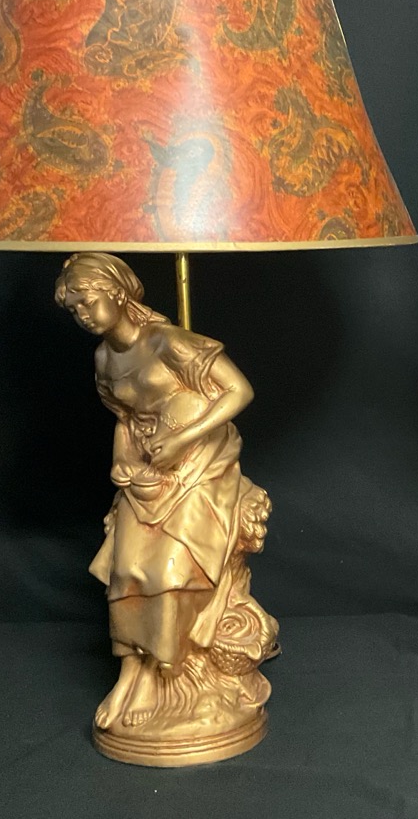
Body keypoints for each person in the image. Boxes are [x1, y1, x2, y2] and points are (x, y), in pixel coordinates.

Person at [54, 253, 276, 735]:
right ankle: (131, 674)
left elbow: (239, 391)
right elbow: (124, 418)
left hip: (202, 462)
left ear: (117, 292)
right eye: (74, 310)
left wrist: (182, 439)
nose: (83, 315)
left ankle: (163, 669)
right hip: (150, 467)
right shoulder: (104, 358)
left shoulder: (169, 342)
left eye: (88, 302)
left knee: (169, 568)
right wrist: (122, 462)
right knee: (125, 567)